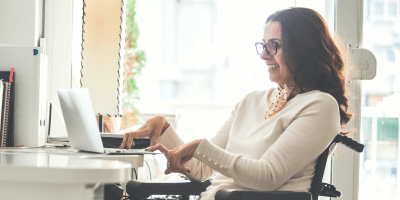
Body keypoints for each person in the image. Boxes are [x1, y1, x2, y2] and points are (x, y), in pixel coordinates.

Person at [119, 7, 352, 200]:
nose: (263, 55)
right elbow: (201, 169)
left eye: (275, 45)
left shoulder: (320, 106)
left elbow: (267, 176)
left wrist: (199, 146)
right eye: (263, 45)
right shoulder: (251, 101)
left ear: (303, 49)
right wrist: (164, 129)